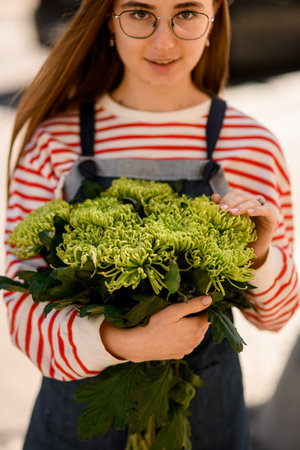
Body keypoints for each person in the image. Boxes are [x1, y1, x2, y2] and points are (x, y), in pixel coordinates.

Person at [4, 0, 299, 449]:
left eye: (186, 13)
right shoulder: (55, 140)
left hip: (206, 420)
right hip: (77, 420)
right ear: (108, 20)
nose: (164, 41)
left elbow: (275, 317)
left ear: (214, 18)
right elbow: (22, 306)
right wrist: (120, 343)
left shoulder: (251, 146)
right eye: (140, 13)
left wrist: (259, 255)